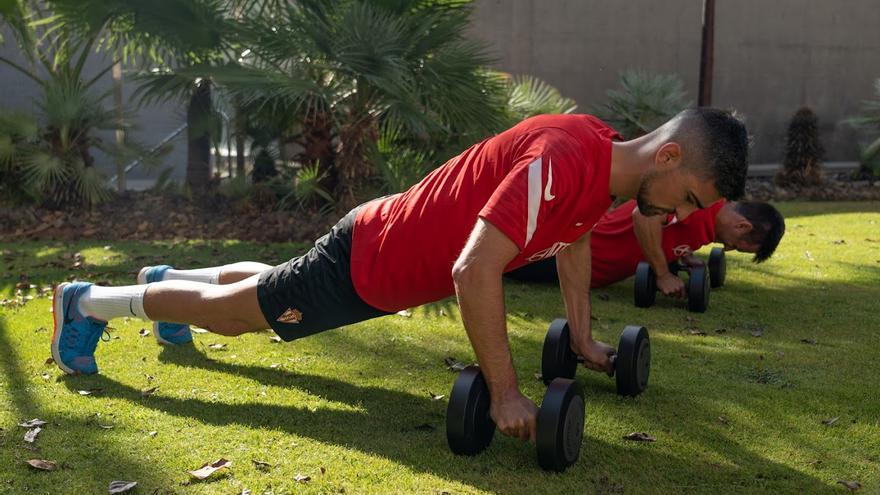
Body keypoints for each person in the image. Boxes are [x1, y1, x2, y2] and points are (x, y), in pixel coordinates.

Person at [51, 108, 749, 443]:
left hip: (378, 254)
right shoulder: (565, 159)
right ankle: (92, 302)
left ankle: (173, 280)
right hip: (371, 264)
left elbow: (571, 248)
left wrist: (587, 339)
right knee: (244, 313)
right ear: (669, 156)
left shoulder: (597, 178)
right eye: (691, 195)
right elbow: (474, 269)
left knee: (267, 284)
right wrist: (504, 393)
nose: (684, 212)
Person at [505, 199, 785, 295]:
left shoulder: (708, 221)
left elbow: (672, 229)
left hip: (584, 264)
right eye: (737, 245)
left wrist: (681, 254)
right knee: (498, 266)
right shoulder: (700, 207)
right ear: (743, 226)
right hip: (565, 254)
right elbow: (644, 214)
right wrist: (662, 274)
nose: (729, 248)